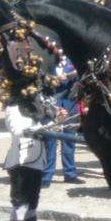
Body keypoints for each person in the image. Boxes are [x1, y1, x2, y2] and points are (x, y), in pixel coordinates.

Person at [5, 95, 66, 221]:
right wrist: (44, 127)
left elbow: (45, 131)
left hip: (37, 162)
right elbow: (17, 130)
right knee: (21, 205)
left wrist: (58, 121)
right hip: (21, 162)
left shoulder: (35, 110)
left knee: (32, 205)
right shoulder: (13, 108)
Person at [41, 55, 80, 188]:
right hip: (52, 103)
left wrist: (71, 74)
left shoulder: (72, 61)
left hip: (70, 102)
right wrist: (55, 79)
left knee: (69, 140)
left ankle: (70, 173)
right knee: (50, 141)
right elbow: (40, 82)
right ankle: (47, 176)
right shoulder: (46, 62)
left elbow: (81, 76)